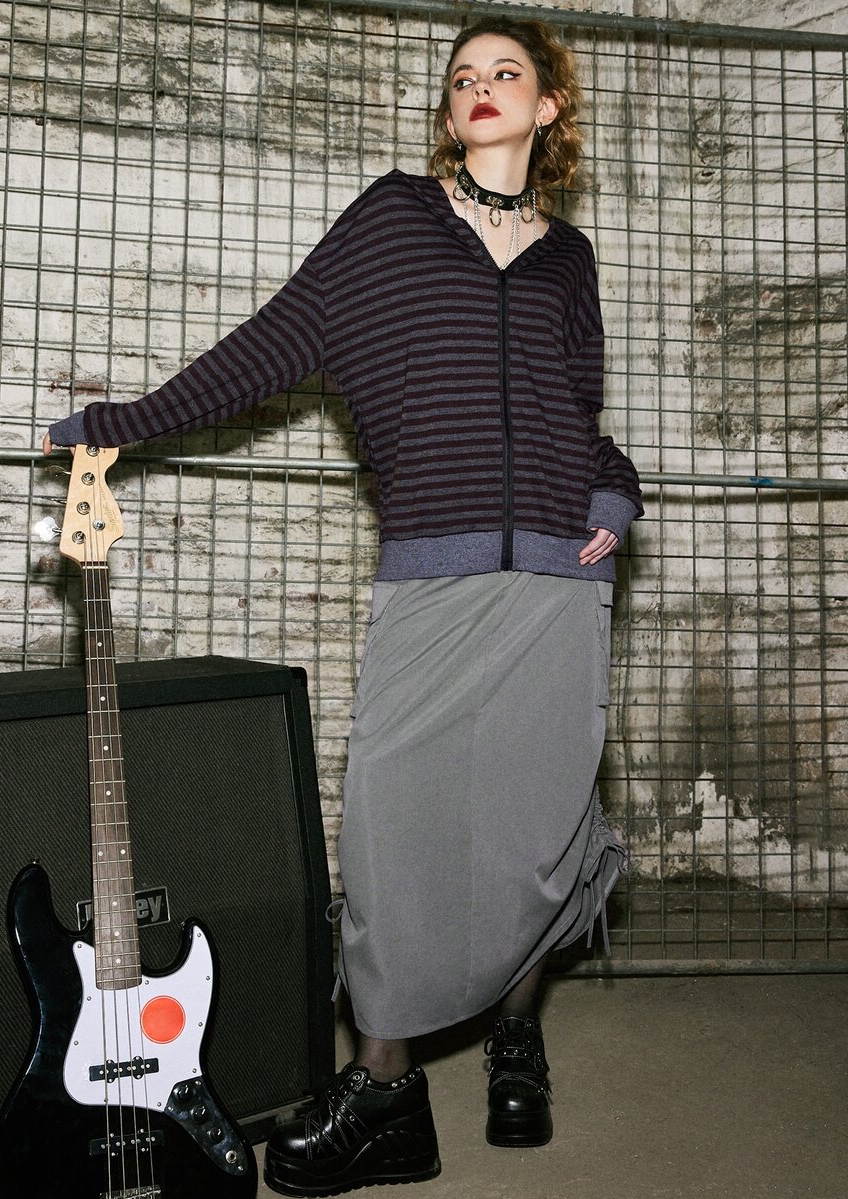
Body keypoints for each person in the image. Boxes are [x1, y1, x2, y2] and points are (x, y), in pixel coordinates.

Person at [44, 14, 643, 1196]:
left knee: (538, 833)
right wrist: (121, 422)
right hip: (434, 570)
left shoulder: (568, 259)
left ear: (547, 108)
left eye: (506, 74)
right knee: (392, 832)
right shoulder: (392, 220)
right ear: (451, 110)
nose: (480, 88)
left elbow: (580, 414)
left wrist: (616, 492)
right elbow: (274, 344)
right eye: (462, 76)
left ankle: (514, 1039)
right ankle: (385, 1088)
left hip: (560, 583)